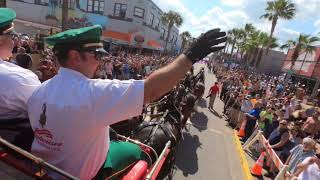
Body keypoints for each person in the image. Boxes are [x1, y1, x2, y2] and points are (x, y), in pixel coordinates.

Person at [27, 25, 226, 179]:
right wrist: (190, 56)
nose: (101, 60)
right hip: (86, 175)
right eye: (97, 54)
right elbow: (151, 89)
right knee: (139, 152)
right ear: (74, 56)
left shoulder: (37, 92)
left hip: (43, 167)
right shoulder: (93, 93)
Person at [0, 8, 41, 151]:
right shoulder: (20, 78)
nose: (15, 41)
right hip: (14, 145)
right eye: (12, 35)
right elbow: (43, 110)